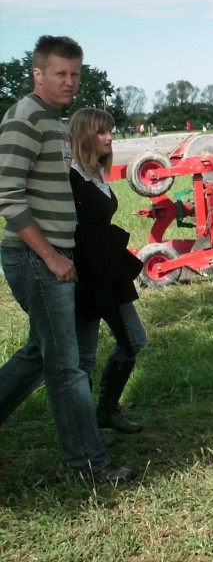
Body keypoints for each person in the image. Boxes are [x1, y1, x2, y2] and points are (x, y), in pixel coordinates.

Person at [0, 35, 137, 483]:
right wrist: (51, 256)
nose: (70, 82)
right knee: (66, 365)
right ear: (37, 73)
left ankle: (85, 451)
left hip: (55, 253)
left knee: (42, 354)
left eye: (75, 73)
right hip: (35, 256)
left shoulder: (56, 122)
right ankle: (89, 464)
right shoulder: (24, 119)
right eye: (60, 73)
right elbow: (7, 194)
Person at [69, 108, 147, 434]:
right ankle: (85, 430)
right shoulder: (71, 177)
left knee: (134, 339)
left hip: (109, 269)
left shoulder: (97, 174)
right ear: (85, 135)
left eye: (110, 131)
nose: (110, 137)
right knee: (85, 356)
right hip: (86, 275)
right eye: (102, 132)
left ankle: (106, 410)